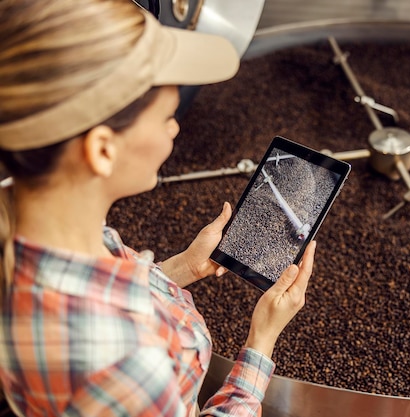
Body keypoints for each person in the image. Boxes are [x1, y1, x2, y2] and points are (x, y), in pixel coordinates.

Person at [0, 0, 316, 416]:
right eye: (167, 116)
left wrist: (184, 267)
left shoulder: (37, 228)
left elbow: (105, 287)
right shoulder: (129, 364)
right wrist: (261, 340)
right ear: (101, 149)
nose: (176, 126)